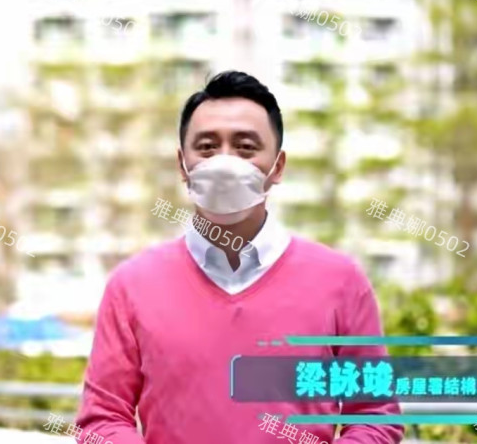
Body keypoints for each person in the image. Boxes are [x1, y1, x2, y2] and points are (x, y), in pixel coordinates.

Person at [75, 71, 404, 444]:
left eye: (246, 147)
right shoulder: (132, 285)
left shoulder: (340, 281)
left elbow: (374, 418)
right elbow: (102, 420)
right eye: (207, 147)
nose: (225, 162)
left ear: (278, 167)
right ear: (182, 165)